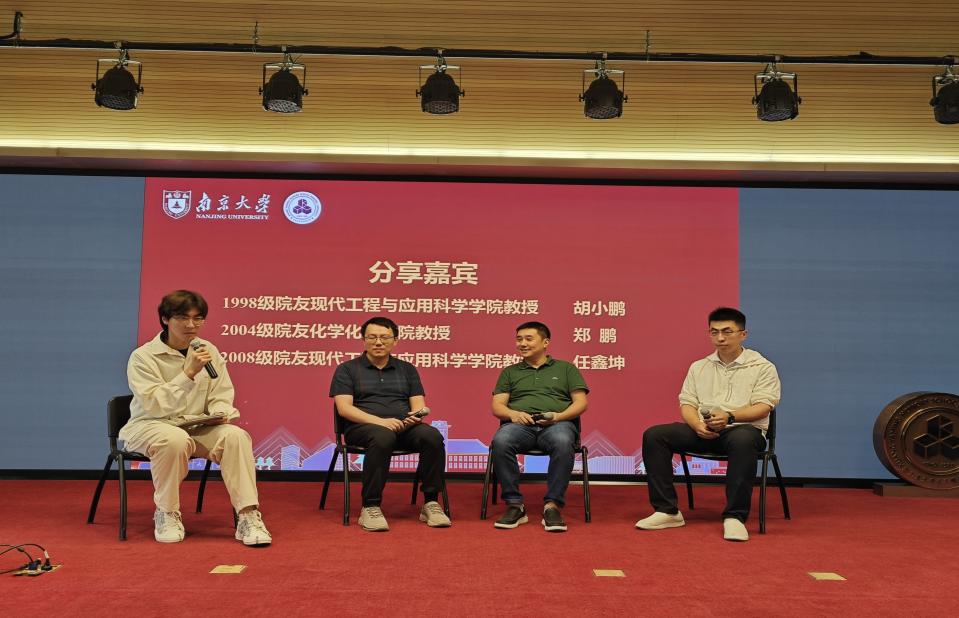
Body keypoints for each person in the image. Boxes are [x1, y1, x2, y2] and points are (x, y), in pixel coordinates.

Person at [119, 290, 271, 546]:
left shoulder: (207, 350)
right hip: (150, 426)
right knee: (174, 439)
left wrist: (220, 412)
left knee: (236, 437)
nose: (192, 325)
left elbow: (221, 393)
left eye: (198, 318)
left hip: (196, 426)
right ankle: (167, 512)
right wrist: (188, 374)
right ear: (165, 319)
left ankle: (247, 515)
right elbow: (155, 405)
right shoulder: (143, 357)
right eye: (183, 318)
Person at [635, 307, 781, 542]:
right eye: (714, 332)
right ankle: (667, 511)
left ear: (743, 334)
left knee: (743, 439)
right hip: (705, 431)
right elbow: (687, 403)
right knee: (655, 435)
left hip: (742, 431)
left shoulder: (762, 367)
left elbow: (764, 406)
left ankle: (734, 517)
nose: (720, 338)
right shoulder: (699, 366)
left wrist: (730, 416)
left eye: (727, 332)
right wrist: (695, 424)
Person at [329, 316, 451, 532]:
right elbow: (344, 409)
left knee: (432, 436)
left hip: (402, 427)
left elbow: (418, 405)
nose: (378, 342)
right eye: (372, 337)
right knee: (383, 436)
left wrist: (415, 417)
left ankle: (431, 502)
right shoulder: (347, 369)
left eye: (384, 337)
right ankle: (370, 506)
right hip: (362, 428)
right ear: (363, 340)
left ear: (395, 340)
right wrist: (382, 422)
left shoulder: (407, 369)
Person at [490, 321, 589, 532]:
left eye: (528, 339)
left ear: (545, 342)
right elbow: (497, 406)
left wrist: (559, 416)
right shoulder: (510, 372)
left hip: (558, 424)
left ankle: (552, 505)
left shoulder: (566, 369)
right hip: (521, 425)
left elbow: (581, 403)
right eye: (519, 339)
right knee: (501, 440)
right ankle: (514, 504)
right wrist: (513, 414)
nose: (522, 343)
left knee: (562, 440)